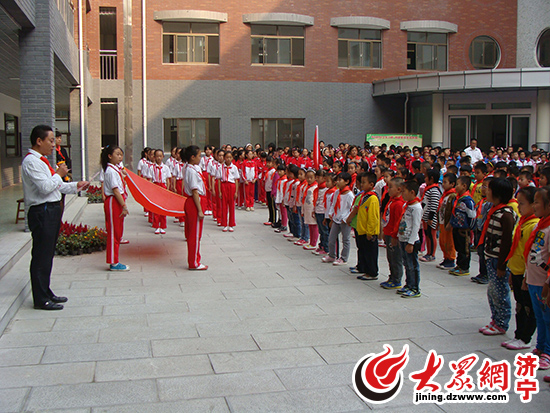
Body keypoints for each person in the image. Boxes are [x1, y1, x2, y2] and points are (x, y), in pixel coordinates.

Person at [22, 125, 89, 310]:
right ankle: (40, 298)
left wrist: (76, 186)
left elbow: (55, 187)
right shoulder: (31, 162)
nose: (54, 144)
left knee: (47, 254)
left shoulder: (42, 161)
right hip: (42, 211)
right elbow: (45, 187)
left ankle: (46, 291)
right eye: (51, 140)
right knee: (41, 255)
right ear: (39, 141)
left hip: (50, 209)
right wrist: (59, 174)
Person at [479, 178, 516, 336]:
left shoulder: (506, 214)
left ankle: (502, 323)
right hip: (490, 257)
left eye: (488, 189)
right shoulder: (494, 210)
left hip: (498, 260)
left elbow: (507, 242)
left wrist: (502, 265)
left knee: (500, 291)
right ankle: (495, 319)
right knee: (492, 291)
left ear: (497, 194)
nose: (485, 191)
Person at [503, 187, 538, 350]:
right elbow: (515, 248)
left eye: (522, 203)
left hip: (526, 274)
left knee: (527, 307)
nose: (519, 206)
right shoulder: (522, 221)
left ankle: (526, 337)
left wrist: (525, 275)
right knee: (519, 304)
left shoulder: (534, 225)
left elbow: (530, 253)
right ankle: (518, 334)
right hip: (516, 270)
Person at [524, 187, 550, 369]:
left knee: (548, 318)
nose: (534, 205)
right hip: (533, 279)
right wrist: (526, 277)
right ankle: (540, 346)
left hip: (544, 283)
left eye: (537, 202)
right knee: (539, 316)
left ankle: (548, 351)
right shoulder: (539, 226)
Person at [101, 145, 130, 271]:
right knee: (113, 233)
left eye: (121, 154)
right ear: (109, 156)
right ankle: (113, 262)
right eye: (117, 154)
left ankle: (115, 259)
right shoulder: (111, 171)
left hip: (117, 202)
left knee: (117, 232)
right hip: (114, 202)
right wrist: (123, 206)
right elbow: (116, 190)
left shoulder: (116, 170)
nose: (120, 157)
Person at [350, 172, 380, 281]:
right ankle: (366, 270)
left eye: (364, 182)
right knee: (365, 251)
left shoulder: (372, 198)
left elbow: (373, 218)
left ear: (371, 184)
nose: (361, 185)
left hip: (369, 232)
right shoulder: (364, 196)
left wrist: (370, 232)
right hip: (362, 230)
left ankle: (372, 272)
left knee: (371, 253)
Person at [183, 145, 208, 270]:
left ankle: (195, 259)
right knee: (194, 234)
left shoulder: (191, 168)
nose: (200, 158)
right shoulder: (191, 171)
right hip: (195, 202)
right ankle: (194, 262)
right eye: (198, 156)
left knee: (195, 233)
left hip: (195, 201)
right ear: (192, 157)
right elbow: (195, 191)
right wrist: (199, 210)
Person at [397, 179, 423, 298]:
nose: (402, 194)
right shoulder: (406, 205)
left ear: (412, 192)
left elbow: (416, 226)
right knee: (406, 264)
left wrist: (411, 243)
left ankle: (415, 288)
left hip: (410, 240)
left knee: (412, 265)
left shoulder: (417, 208)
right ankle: (408, 284)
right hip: (403, 238)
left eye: (404, 191)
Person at [322, 172, 354, 265]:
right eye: (337, 180)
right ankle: (332, 255)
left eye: (340, 180)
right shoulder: (337, 192)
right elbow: (333, 204)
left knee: (346, 239)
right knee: (332, 238)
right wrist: (331, 214)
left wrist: (346, 218)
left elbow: (351, 209)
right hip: (336, 219)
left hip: (344, 221)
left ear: (347, 182)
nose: (337, 182)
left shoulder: (349, 195)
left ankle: (343, 258)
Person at [448, 176, 476, 276]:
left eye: (458, 184)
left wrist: (470, 228)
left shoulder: (468, 201)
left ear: (464, 186)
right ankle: (459, 265)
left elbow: (472, 216)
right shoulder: (457, 199)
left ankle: (464, 267)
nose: (456, 187)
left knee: (465, 249)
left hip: (464, 229)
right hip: (456, 227)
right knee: (458, 247)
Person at [380, 177, 405, 289]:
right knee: (390, 257)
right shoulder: (392, 201)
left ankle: (397, 279)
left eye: (390, 187)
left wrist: (395, 236)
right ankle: (392, 276)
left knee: (396, 258)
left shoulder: (399, 204)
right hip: (388, 233)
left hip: (394, 235)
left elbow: (398, 222)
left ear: (399, 189)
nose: (388, 189)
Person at [419, 169, 442, 262]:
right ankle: (428, 252)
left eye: (426, 177)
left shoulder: (434, 191)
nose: (425, 179)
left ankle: (431, 254)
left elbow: (434, 205)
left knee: (431, 235)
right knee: (427, 234)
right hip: (426, 217)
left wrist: (431, 217)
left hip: (430, 218)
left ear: (431, 178)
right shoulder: (429, 189)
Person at [436, 173, 457, 270]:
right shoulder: (444, 195)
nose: (443, 184)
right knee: (442, 241)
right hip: (441, 221)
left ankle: (451, 259)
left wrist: (450, 222)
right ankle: (446, 257)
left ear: (452, 184)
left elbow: (453, 210)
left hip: (447, 222)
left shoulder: (452, 196)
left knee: (449, 242)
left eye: (445, 182)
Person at [219, 151, 240, 232]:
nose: (228, 159)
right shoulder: (221, 167)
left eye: (230, 157)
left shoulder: (234, 167)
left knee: (231, 206)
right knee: (224, 205)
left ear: (232, 158)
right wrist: (220, 191)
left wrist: (236, 192)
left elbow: (236, 180)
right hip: (224, 185)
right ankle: (224, 224)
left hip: (231, 186)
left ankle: (231, 224)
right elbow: (219, 179)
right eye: (227, 157)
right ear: (224, 158)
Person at [152, 149, 171, 234]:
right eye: (157, 156)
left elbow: (167, 179)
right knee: (156, 207)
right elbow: (149, 179)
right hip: (155, 185)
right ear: (154, 157)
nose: (159, 158)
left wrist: (168, 189)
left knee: (163, 207)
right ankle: (156, 226)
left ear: (163, 157)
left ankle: (163, 225)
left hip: (163, 186)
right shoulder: (152, 167)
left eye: (160, 156)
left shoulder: (166, 167)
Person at [301, 169, 319, 250]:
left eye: (311, 178)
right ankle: (311, 241)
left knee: (314, 225)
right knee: (309, 225)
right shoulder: (306, 187)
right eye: (307, 177)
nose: (309, 179)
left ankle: (314, 242)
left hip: (312, 209)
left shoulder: (315, 187)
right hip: (307, 208)